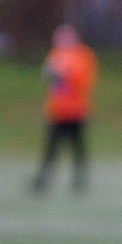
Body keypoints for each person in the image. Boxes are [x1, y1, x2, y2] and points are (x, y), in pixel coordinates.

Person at [30, 24, 97, 194]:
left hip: (75, 110)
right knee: (51, 147)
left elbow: (80, 80)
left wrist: (61, 76)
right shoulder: (55, 54)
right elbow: (49, 79)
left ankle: (79, 180)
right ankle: (43, 179)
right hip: (57, 110)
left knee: (77, 146)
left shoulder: (83, 55)